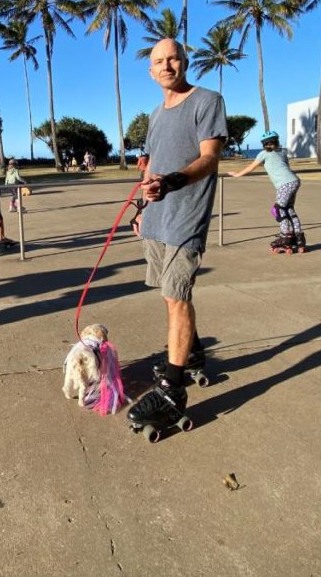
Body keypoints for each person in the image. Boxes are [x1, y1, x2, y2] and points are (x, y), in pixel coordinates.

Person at [129, 38, 227, 431]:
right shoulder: (155, 114)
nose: (167, 66)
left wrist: (173, 181)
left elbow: (210, 157)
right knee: (169, 295)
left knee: (177, 295)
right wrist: (142, 209)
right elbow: (152, 165)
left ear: (185, 62)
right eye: (159, 61)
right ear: (150, 71)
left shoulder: (207, 101)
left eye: (173, 58)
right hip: (156, 217)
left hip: (186, 216)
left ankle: (172, 389)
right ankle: (194, 353)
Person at [228, 131, 307, 253]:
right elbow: (285, 167)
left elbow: (251, 167)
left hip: (285, 184)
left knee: (277, 210)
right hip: (294, 181)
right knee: (289, 209)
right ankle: (299, 238)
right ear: (277, 142)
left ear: (264, 144)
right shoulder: (282, 152)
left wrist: (237, 174)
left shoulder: (263, 154)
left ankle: (286, 236)